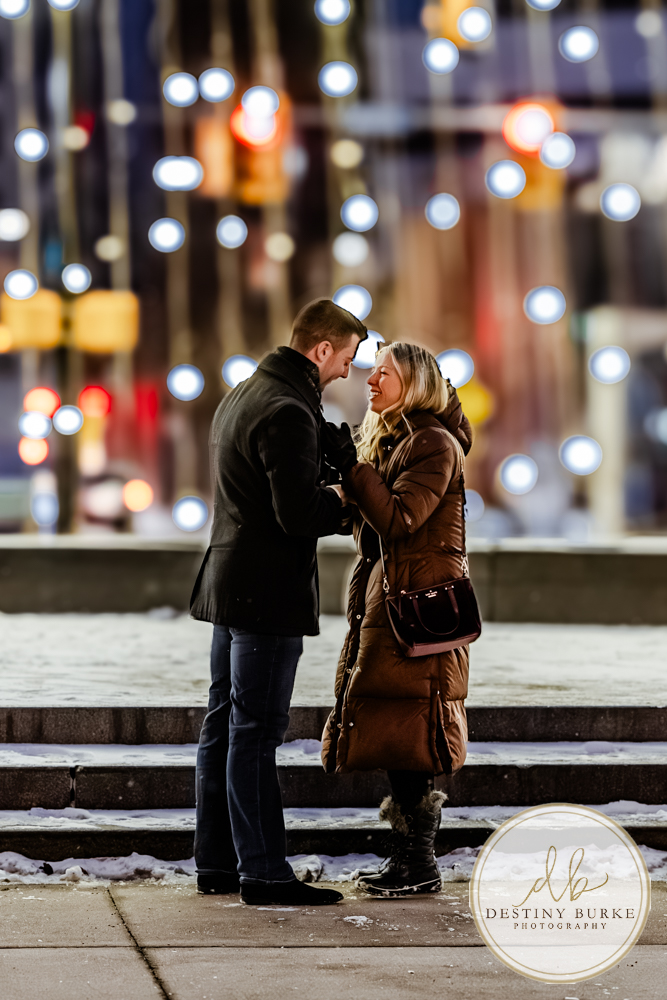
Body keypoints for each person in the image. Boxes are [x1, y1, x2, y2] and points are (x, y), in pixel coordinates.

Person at [190, 298, 366, 906]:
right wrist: (344, 497)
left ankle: (215, 862)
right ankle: (264, 872)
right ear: (321, 350)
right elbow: (298, 514)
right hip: (265, 593)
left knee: (224, 724)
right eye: (345, 359)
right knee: (256, 731)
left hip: (229, 582)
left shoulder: (245, 392)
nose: (347, 371)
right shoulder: (289, 409)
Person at [321, 341, 474, 897]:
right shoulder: (399, 440)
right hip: (395, 604)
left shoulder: (432, 442)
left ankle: (419, 861)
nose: (371, 380)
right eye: (372, 370)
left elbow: (401, 518)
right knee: (399, 729)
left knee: (415, 730)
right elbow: (373, 526)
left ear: (415, 383)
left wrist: (353, 470)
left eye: (385, 373)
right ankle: (409, 858)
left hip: (419, 611)